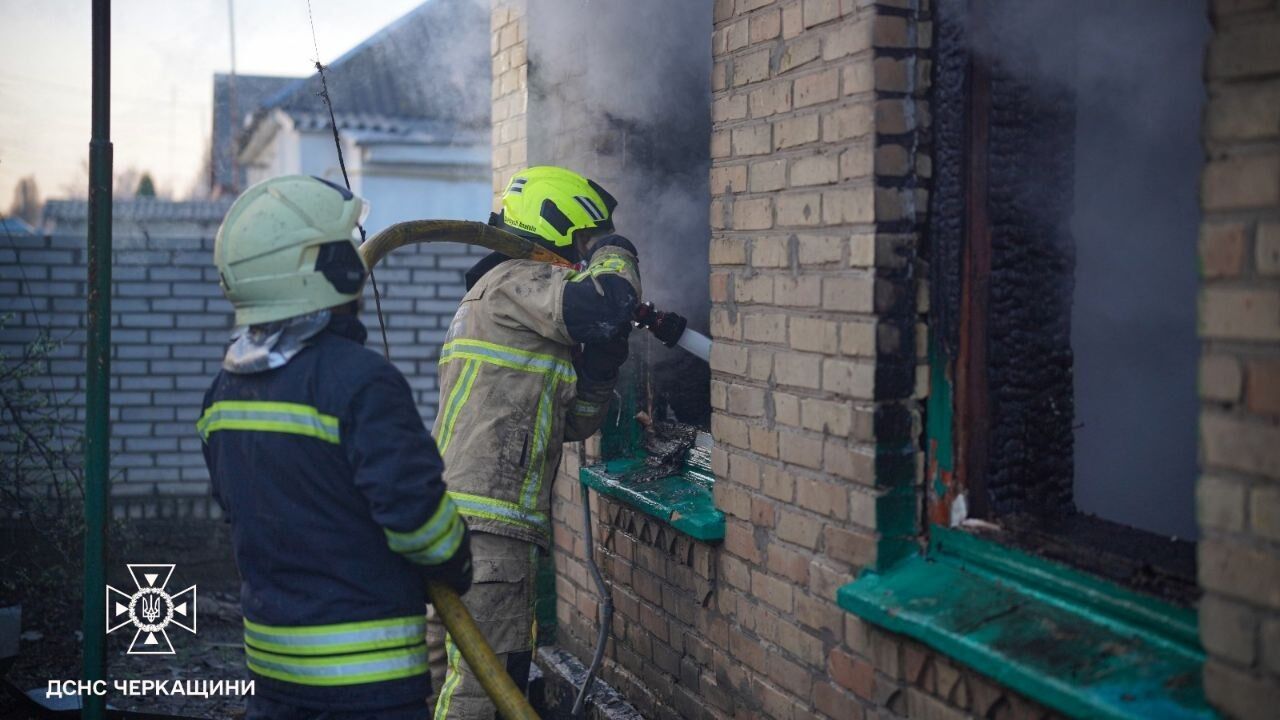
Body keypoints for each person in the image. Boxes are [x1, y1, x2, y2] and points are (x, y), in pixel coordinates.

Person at [198, 175, 473, 720]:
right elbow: (420, 523)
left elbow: (238, 510)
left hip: (274, 673)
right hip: (368, 685)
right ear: (320, 269)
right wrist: (455, 561)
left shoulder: (223, 392)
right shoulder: (360, 382)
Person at [426, 166, 642, 719]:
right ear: (558, 229)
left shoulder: (504, 303)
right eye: (585, 243)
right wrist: (616, 251)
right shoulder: (514, 280)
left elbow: (571, 423)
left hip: (463, 521)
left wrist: (601, 367)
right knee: (484, 689)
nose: (587, 257)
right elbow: (609, 300)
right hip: (487, 529)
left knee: (448, 682)